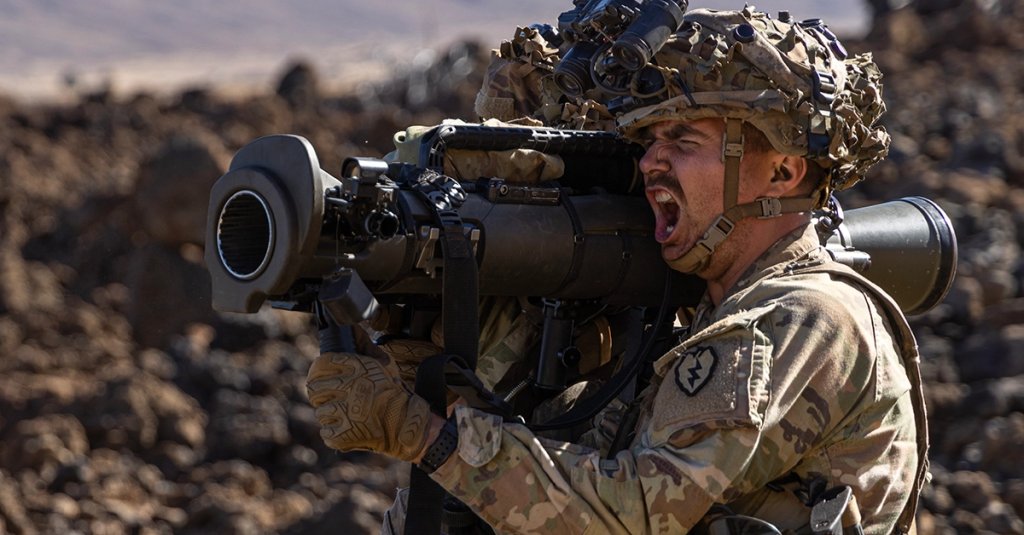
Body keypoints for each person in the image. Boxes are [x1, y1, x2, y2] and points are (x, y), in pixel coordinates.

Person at [304, 6, 928, 534]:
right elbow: (563, 481)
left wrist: (425, 435)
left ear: (784, 172)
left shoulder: (804, 318)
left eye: (683, 142)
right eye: (647, 141)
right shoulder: (689, 315)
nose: (652, 164)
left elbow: (635, 513)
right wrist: (465, 378)